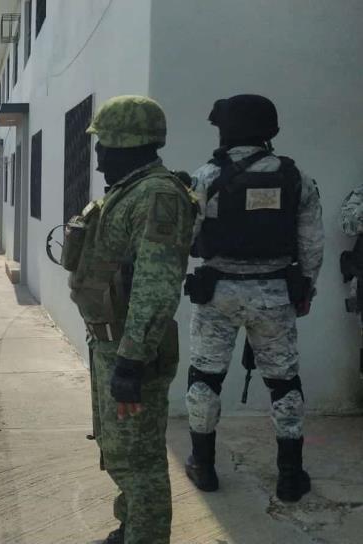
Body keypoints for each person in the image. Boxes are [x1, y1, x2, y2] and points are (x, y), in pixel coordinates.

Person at [65, 95, 195, 544]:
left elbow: (156, 286)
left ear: (126, 143)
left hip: (131, 350)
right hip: (113, 344)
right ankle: (131, 527)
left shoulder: (157, 196)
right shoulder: (131, 189)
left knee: (139, 460)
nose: (97, 157)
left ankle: (147, 536)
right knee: (119, 451)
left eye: (103, 145)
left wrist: (132, 361)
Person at [184, 94, 323, 503]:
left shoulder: (205, 177)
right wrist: (305, 289)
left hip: (218, 294)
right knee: (284, 383)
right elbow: (312, 245)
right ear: (270, 130)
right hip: (276, 294)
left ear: (226, 129)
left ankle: (204, 466)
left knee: (205, 378)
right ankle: (291, 475)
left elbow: (186, 237)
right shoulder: (297, 177)